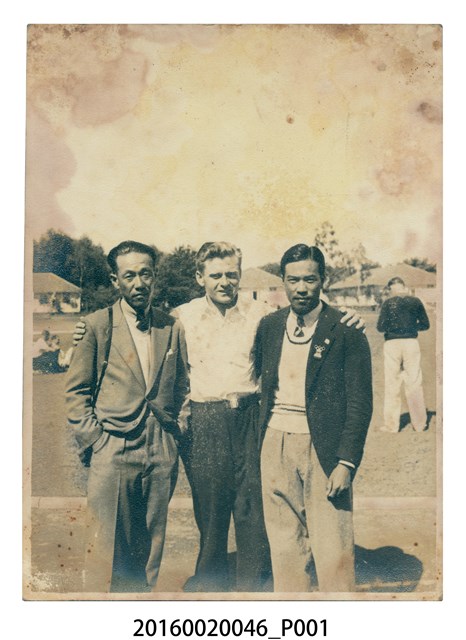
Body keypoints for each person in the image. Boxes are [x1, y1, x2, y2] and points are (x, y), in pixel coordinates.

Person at [73, 241, 364, 593]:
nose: (224, 282)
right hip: (204, 418)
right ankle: (210, 583)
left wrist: (348, 315)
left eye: (231, 274)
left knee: (251, 506)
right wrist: (82, 331)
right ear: (200, 278)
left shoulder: (262, 315)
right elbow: (144, 335)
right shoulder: (181, 317)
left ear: (239, 275)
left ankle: (253, 584)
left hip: (249, 416)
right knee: (209, 509)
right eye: (215, 276)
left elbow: (306, 317)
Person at [65, 240, 189, 592]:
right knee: (105, 549)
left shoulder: (171, 326)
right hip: (113, 446)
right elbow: (76, 392)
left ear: (154, 277)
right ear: (115, 280)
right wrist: (96, 441)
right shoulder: (96, 325)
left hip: (160, 448)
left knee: (150, 546)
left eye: (145, 274)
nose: (139, 283)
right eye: (129, 275)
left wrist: (175, 432)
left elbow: (182, 385)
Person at [254, 244, 373, 592]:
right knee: (285, 549)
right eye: (293, 280)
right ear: (283, 281)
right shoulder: (269, 326)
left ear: (324, 280)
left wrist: (346, 462)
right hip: (275, 442)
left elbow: (360, 404)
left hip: (324, 449)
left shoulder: (346, 329)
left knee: (333, 549)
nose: (301, 288)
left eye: (309, 279)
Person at [376, 276, 430, 433]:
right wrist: (410, 328)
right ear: (403, 286)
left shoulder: (388, 303)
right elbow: (425, 324)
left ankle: (391, 425)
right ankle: (419, 424)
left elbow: (380, 327)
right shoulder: (415, 301)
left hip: (392, 344)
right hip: (411, 343)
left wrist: (395, 328)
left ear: (391, 288)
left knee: (392, 384)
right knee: (414, 382)